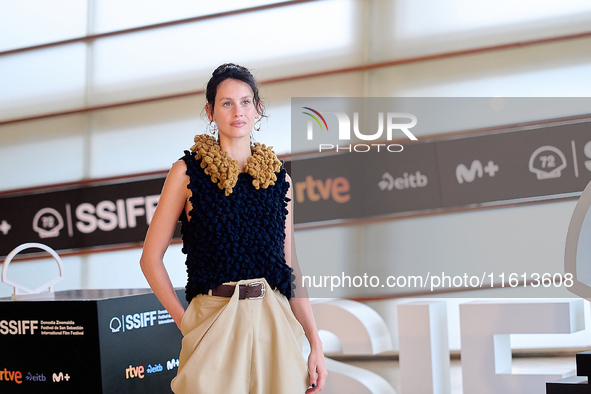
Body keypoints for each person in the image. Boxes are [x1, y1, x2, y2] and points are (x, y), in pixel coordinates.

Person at [140, 63, 327, 394]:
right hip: (214, 318)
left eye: (245, 101)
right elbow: (150, 259)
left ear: (257, 110)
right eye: (226, 103)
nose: (237, 111)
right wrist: (186, 323)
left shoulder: (280, 179)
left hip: (275, 319)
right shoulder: (185, 173)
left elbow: (291, 264)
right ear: (211, 112)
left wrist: (315, 340)